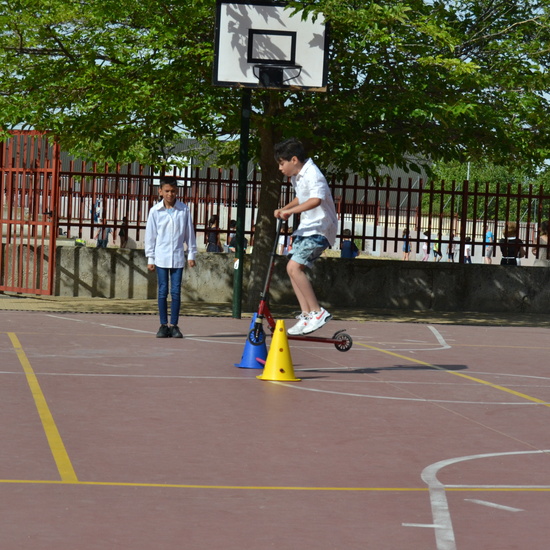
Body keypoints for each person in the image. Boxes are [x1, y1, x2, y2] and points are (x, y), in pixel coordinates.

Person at [273, 137, 338, 336]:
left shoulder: (313, 174)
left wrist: (291, 212)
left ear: (293, 160)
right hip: (306, 228)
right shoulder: (298, 176)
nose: (280, 168)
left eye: (281, 163)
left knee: (294, 267)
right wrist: (285, 208)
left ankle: (318, 311)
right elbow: (302, 197)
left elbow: (316, 199)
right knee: (291, 269)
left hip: (319, 229)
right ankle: (307, 314)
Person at [145, 176, 197, 338]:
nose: (170, 194)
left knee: (175, 292)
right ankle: (163, 324)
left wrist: (191, 254)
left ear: (177, 192)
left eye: (173, 191)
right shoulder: (155, 211)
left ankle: (174, 325)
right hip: (161, 257)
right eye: (167, 191)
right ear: (160, 191)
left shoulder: (184, 210)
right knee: (162, 291)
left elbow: (189, 233)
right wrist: (150, 258)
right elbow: (150, 236)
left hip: (177, 257)